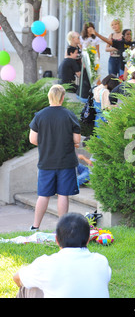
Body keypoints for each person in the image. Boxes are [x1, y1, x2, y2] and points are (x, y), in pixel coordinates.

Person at [13, 213, 111, 298]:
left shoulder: (46, 264)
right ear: (88, 239)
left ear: (56, 240)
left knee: (28, 285)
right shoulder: (101, 261)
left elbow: (17, 278)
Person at [29, 85, 81, 231]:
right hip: (66, 161)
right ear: (63, 98)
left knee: (43, 195)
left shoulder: (40, 115)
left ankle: (35, 226)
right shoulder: (69, 115)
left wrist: (47, 142)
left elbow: (33, 139)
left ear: (49, 96)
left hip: (46, 162)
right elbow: (77, 140)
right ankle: (61, 228)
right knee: (63, 195)